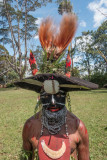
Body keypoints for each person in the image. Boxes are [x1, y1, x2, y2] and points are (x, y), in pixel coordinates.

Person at [15, 13, 98, 160]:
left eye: (59, 95)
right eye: (46, 96)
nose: (53, 102)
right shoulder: (30, 126)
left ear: (66, 95)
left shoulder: (79, 127)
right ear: (39, 96)